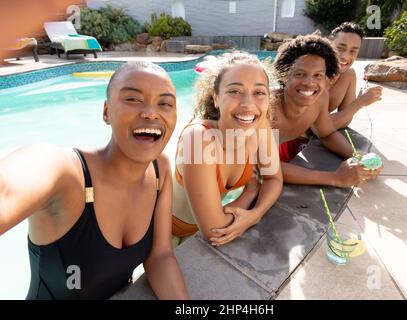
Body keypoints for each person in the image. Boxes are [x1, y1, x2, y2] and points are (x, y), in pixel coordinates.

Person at [0, 61, 189, 300]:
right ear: (106, 112)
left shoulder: (159, 167)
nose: (151, 112)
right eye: (133, 99)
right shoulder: (66, 173)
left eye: (165, 103)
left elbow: (160, 256)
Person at [172, 52, 282, 247]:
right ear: (216, 98)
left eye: (259, 92)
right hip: (163, 228)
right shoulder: (198, 138)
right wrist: (250, 194)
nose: (248, 104)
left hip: (197, 230)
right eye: (235, 91)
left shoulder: (260, 124)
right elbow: (214, 229)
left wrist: (256, 214)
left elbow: (274, 178)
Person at [273, 35, 382, 187]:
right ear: (283, 76)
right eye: (299, 74)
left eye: (318, 75)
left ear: (327, 78)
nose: (309, 83)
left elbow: (326, 133)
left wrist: (357, 158)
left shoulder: (319, 99)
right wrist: (336, 178)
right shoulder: (269, 110)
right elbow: (264, 168)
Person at [327, 22, 383, 129]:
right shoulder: (314, 72)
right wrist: (359, 102)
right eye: (340, 48)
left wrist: (358, 103)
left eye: (353, 51)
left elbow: (345, 121)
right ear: (329, 44)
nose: (346, 57)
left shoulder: (348, 75)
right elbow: (318, 128)